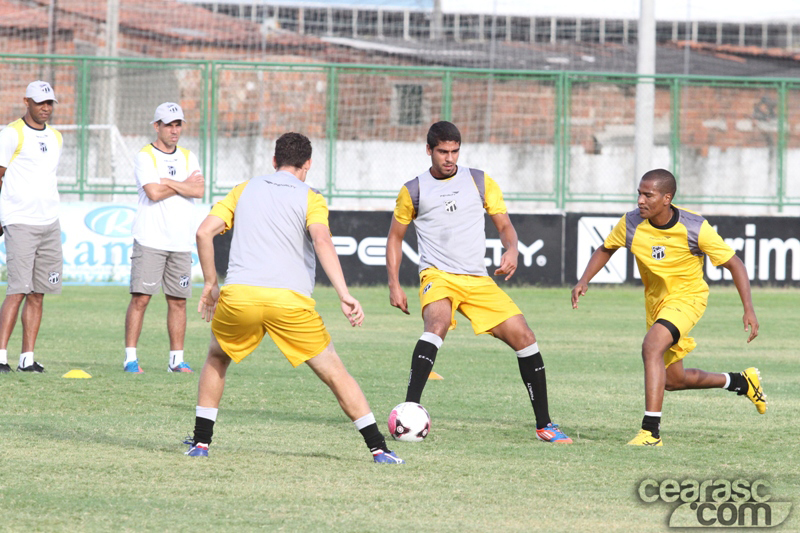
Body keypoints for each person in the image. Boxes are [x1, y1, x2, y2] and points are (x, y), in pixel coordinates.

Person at [185, 132, 404, 464]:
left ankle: (201, 443)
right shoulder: (311, 197)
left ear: (274, 162)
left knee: (217, 358)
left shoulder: (243, 189)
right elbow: (322, 241)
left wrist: (211, 284)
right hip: (290, 303)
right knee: (334, 373)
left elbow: (203, 232)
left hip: (240, 296)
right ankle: (379, 449)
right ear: (308, 165)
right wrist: (344, 294)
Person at [386, 121, 572, 444]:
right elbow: (394, 238)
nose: (449, 158)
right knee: (437, 324)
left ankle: (545, 424)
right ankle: (409, 408)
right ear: (428, 150)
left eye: (455, 151)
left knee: (525, 337)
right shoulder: (413, 190)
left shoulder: (478, 181)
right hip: (438, 275)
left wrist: (512, 249)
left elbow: (505, 227)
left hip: (477, 279)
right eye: (442, 151)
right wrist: (394, 284)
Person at [571, 169, 766, 446]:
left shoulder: (695, 227)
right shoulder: (631, 223)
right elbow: (606, 248)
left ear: (666, 198)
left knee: (651, 346)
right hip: (656, 305)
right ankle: (741, 381)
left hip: (688, 299)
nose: (640, 200)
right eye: (639, 193)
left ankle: (651, 432)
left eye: (647, 195)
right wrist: (584, 280)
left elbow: (735, 264)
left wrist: (749, 308)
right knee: (673, 380)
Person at [123, 102, 204, 374]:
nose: (174, 129)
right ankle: (130, 359)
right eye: (168, 124)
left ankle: (176, 361)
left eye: (178, 124)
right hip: (150, 239)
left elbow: (199, 190)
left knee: (178, 301)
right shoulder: (145, 156)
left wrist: (167, 182)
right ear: (156, 126)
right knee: (141, 299)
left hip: (180, 242)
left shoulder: (189, 156)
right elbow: (153, 194)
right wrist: (183, 185)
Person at [0, 81, 63, 373]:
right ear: (27, 101)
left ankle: (27, 358)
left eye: (49, 103)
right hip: (20, 222)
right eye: (40, 103)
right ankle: (1, 356)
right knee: (17, 290)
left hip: (49, 224)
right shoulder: (12, 133)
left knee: (38, 293)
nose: (46, 108)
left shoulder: (57, 137)